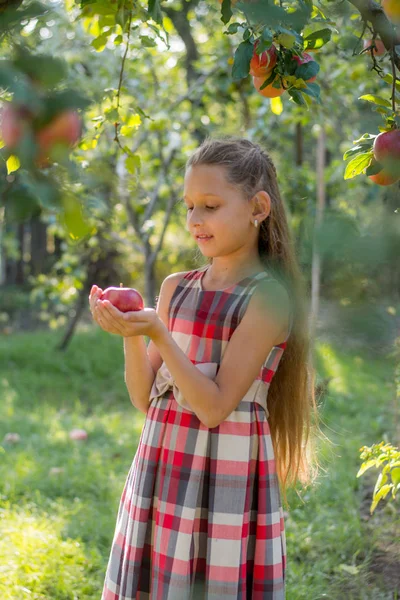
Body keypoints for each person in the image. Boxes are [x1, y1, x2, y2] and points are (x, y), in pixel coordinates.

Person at [89, 136, 319, 599]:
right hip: (162, 462)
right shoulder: (178, 287)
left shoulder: (267, 297)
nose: (195, 220)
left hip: (223, 475)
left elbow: (214, 407)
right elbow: (143, 397)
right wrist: (133, 337)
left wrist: (157, 333)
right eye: (189, 206)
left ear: (258, 207)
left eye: (210, 206)